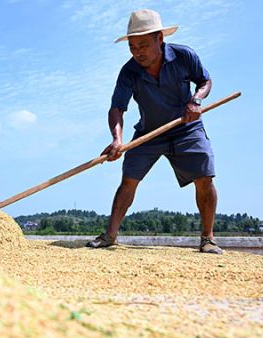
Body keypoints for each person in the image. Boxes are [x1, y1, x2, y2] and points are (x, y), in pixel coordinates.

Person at [86, 9, 223, 254]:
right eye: (132, 46)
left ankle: (208, 238)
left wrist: (196, 101)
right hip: (149, 132)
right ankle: (110, 236)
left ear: (159, 39)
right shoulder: (129, 71)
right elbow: (117, 107)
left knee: (205, 176)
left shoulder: (184, 56)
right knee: (128, 180)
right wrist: (117, 139)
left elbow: (205, 81)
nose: (137, 52)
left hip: (186, 128)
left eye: (142, 45)